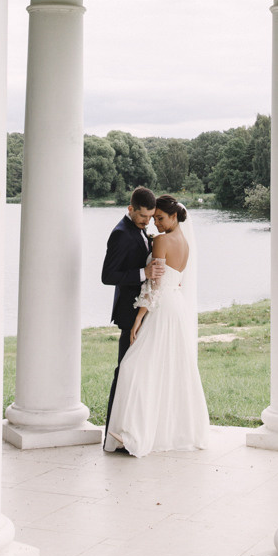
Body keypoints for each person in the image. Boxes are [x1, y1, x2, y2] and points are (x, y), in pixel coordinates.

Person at [104, 194, 210, 457]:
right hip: (176, 307)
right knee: (168, 370)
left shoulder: (161, 240)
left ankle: (132, 432)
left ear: (174, 216)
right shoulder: (184, 242)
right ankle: (163, 431)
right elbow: (174, 279)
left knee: (134, 367)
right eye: (151, 218)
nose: (155, 224)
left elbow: (155, 285)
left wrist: (139, 317)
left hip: (160, 308)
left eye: (159, 218)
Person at [101, 186, 157, 436]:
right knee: (125, 371)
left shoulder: (140, 230)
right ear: (130, 209)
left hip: (143, 309)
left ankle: (133, 429)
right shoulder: (121, 234)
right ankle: (114, 432)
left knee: (137, 372)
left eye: (151, 217)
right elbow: (108, 276)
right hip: (129, 312)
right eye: (143, 216)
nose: (147, 221)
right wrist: (143, 273)